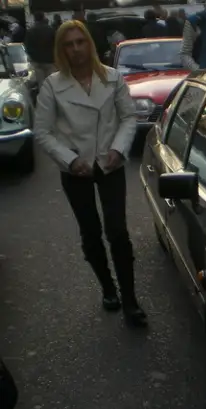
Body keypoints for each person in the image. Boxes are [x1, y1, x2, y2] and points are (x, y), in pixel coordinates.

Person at [34, 20, 146, 327]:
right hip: (76, 169)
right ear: (61, 50)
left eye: (79, 42)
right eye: (68, 45)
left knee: (118, 232)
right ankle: (108, 288)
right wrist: (69, 160)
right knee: (90, 232)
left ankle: (130, 300)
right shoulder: (52, 86)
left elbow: (128, 118)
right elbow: (43, 132)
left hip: (109, 162)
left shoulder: (112, 79)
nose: (75, 49)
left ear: (89, 44)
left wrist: (119, 149)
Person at [24, 12, 57, 85]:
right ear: (43, 18)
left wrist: (33, 57)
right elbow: (56, 44)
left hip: (37, 61)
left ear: (35, 19)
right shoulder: (50, 29)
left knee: (41, 84)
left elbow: (27, 46)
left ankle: (43, 95)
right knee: (52, 83)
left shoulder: (31, 30)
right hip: (50, 61)